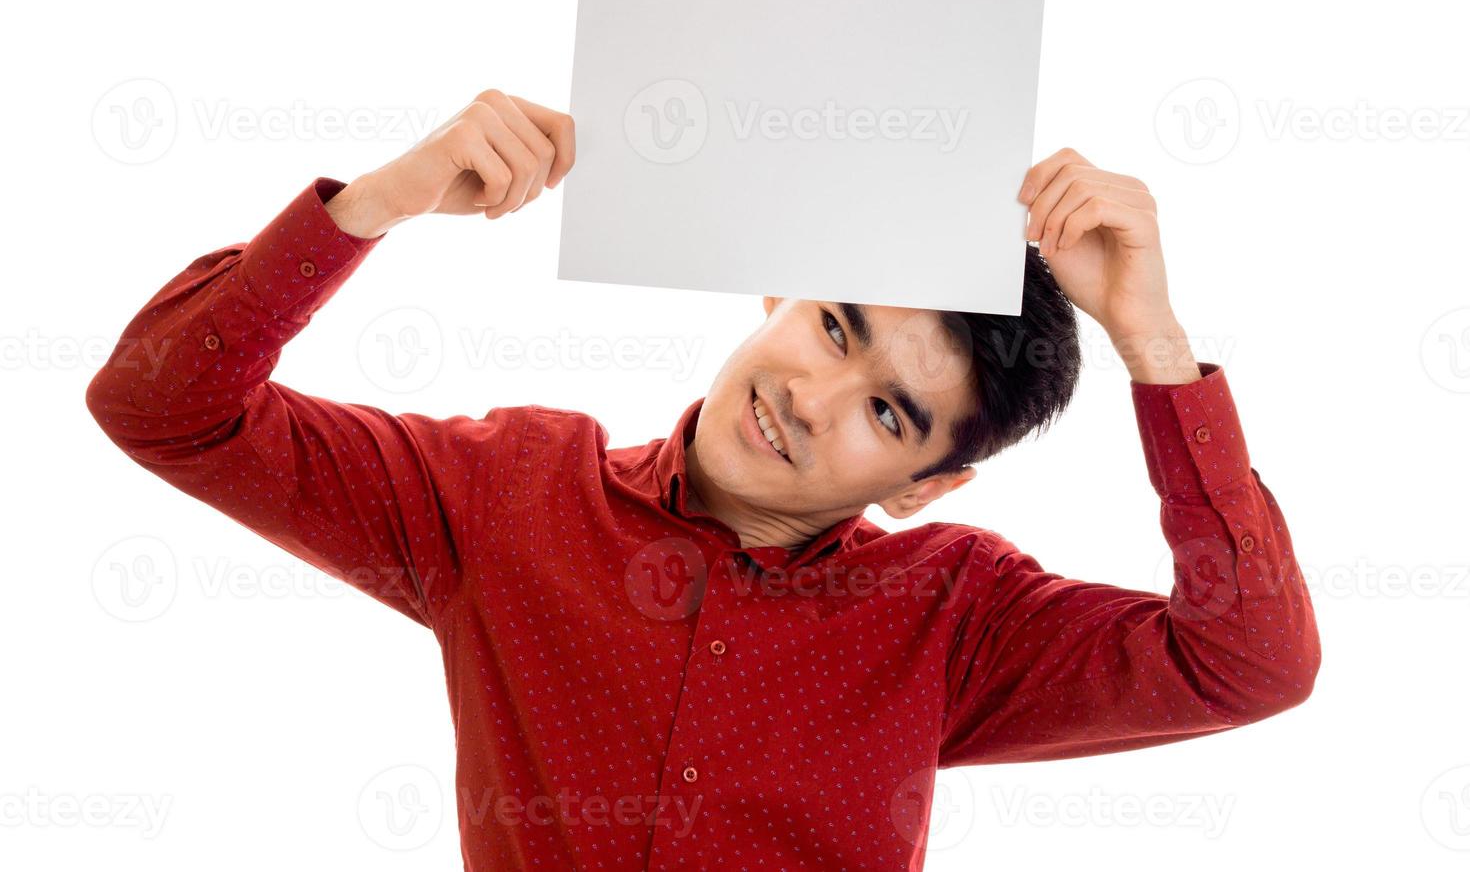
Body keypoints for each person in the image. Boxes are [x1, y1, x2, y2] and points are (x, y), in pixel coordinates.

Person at [85, 88, 1321, 871]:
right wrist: (375, 204)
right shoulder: (504, 493)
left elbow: (1250, 661)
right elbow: (160, 405)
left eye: (889, 410)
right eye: (836, 324)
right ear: (781, 287)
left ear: (926, 483)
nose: (811, 398)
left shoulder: (960, 617)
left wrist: (1154, 343)